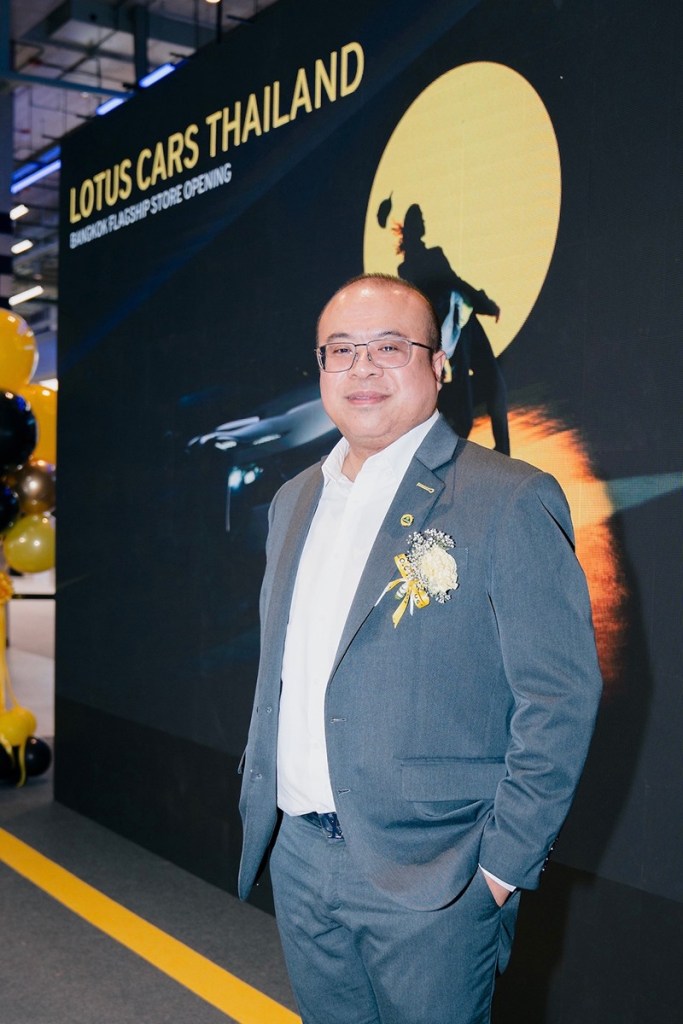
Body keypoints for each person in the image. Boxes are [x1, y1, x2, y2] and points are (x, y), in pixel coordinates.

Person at [238, 274, 602, 1024]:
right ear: (321, 368)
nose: (363, 368)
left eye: (389, 347)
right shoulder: (293, 500)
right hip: (300, 857)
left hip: (438, 876)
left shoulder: (507, 497)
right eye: (342, 350)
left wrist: (500, 869)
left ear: (436, 366)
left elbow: (559, 697)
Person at [395, 203, 510, 454]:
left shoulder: (409, 267)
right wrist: (487, 304)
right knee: (470, 403)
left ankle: (503, 454)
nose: (424, 223)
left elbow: (455, 285)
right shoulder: (419, 263)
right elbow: (454, 284)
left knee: (492, 386)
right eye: (420, 219)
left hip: (463, 327)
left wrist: (483, 304)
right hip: (453, 335)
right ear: (413, 228)